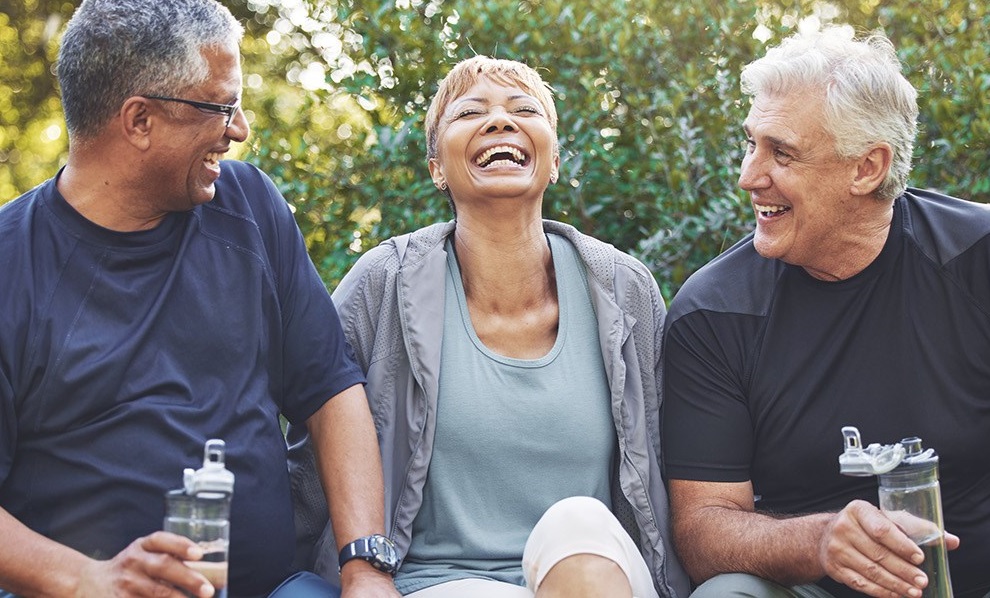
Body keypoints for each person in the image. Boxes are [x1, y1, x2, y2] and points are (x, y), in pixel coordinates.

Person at [0, 1, 399, 597]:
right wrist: (89, 580)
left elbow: (331, 391)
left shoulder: (250, 207)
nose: (239, 129)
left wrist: (364, 566)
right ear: (139, 121)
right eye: (221, 106)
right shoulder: (11, 264)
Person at [287, 55, 690, 597]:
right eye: (470, 113)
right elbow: (317, 458)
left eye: (524, 110)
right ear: (436, 167)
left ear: (552, 162)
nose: (500, 122)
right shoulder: (383, 283)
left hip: (599, 575)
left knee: (578, 521)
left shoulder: (625, 290)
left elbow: (672, 463)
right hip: (436, 584)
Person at [661, 25, 990, 598]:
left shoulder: (977, 258)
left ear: (867, 168)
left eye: (781, 152)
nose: (747, 177)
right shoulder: (713, 312)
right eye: (750, 143)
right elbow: (702, 529)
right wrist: (818, 542)